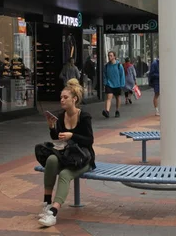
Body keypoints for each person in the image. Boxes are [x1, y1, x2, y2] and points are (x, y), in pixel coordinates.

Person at [39, 79, 95, 227]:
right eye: (61, 97)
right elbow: (57, 137)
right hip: (67, 155)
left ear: (74, 99)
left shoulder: (84, 116)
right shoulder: (60, 116)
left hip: (83, 157)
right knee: (51, 159)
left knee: (65, 174)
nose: (62, 100)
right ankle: (46, 202)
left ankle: (53, 213)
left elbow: (89, 140)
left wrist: (73, 136)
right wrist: (52, 127)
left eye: (65, 97)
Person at [102, 51, 125, 118]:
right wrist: (105, 82)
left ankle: (117, 111)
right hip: (109, 84)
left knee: (117, 98)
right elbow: (105, 75)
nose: (109, 57)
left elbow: (122, 75)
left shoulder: (119, 65)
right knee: (109, 97)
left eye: (111, 55)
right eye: (109, 55)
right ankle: (107, 111)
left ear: (114, 56)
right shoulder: (106, 66)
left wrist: (122, 84)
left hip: (117, 84)